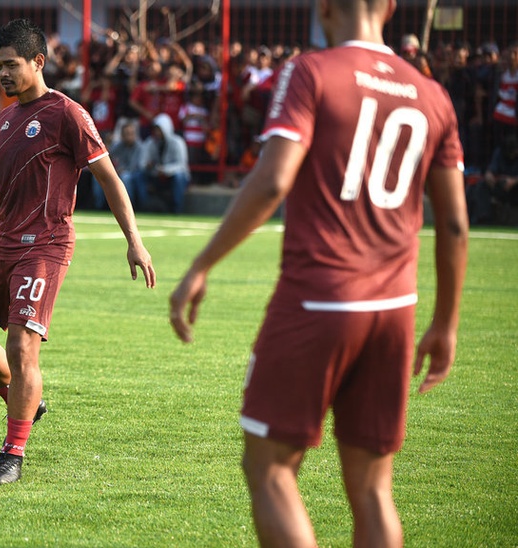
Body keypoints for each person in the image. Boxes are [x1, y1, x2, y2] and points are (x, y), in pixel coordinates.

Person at [168, 0, 468, 545]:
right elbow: (453, 226)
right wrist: (446, 323)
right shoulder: (432, 94)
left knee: (271, 469)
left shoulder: (310, 72)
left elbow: (274, 178)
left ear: (323, 7)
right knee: (375, 490)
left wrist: (201, 265)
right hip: (394, 311)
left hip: (319, 299)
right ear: (391, 7)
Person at [0, 18, 156, 484]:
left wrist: (134, 241)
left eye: (11, 65)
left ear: (38, 62)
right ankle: (26, 404)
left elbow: (110, 179)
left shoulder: (68, 114)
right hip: (2, 241)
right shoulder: (7, 117)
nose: (3, 74)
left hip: (47, 244)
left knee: (21, 345)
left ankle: (12, 454)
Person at [137, 113, 191, 213]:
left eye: (159, 129)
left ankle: (177, 210)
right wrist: (147, 165)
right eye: (155, 129)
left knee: (179, 177)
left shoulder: (178, 142)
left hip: (173, 176)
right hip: (156, 175)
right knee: (139, 175)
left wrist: (165, 170)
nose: (157, 132)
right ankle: (144, 207)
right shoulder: (150, 142)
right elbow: (142, 163)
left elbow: (182, 165)